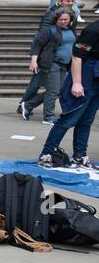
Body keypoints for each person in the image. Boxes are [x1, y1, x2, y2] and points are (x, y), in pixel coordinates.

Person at [38, 16, 99, 168]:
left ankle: (79, 155)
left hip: (97, 79)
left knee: (86, 121)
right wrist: (77, 83)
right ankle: (47, 154)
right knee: (69, 119)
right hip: (85, 75)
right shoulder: (94, 30)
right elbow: (77, 56)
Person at [20, 0, 78, 121]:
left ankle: (28, 105)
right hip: (52, 63)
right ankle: (48, 117)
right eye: (60, 19)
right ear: (56, 19)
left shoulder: (71, 30)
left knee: (59, 91)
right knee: (52, 91)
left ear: (70, 20)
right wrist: (33, 61)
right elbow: (37, 44)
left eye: (65, 20)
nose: (63, 22)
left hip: (65, 64)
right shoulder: (49, 30)